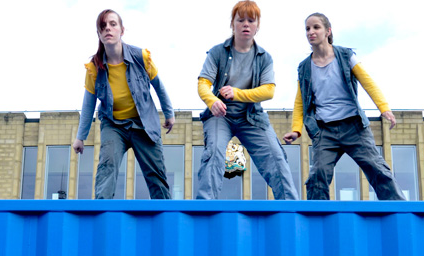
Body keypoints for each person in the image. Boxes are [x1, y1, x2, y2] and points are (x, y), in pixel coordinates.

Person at [284, 13, 406, 201]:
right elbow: (300, 101)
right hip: (325, 131)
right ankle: (318, 219)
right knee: (317, 176)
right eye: (307, 29)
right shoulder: (305, 67)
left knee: (378, 170)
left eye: (316, 27)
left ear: (328, 31)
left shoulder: (345, 56)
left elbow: (368, 82)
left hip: (354, 128)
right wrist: (295, 129)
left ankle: (399, 212)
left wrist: (384, 108)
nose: (311, 32)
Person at [195, 0, 298, 200]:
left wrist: (237, 93)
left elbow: (269, 91)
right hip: (221, 116)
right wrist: (211, 101)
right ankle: (205, 205)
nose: (246, 24)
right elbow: (203, 83)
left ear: (257, 26)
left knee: (276, 156)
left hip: (252, 117)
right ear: (232, 24)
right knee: (215, 152)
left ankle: (289, 206)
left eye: (251, 20)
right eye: (240, 20)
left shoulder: (264, 57)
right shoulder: (218, 52)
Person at [73, 9, 175, 199]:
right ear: (99, 35)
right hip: (114, 125)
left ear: (122, 30)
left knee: (156, 174)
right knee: (107, 166)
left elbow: (159, 87)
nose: (108, 29)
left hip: (143, 123)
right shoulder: (94, 68)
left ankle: (164, 214)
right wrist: (81, 137)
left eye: (113, 24)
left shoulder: (140, 57)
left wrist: (169, 114)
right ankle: (102, 212)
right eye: (103, 27)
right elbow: (88, 105)